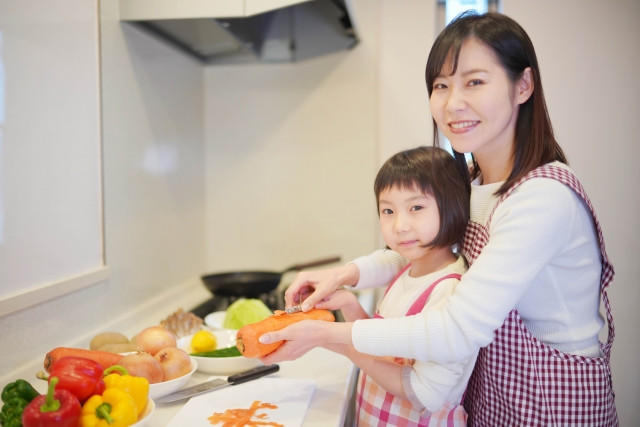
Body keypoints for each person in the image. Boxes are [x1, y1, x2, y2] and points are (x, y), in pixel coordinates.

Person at [259, 11, 618, 426]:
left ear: (523, 86)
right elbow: (428, 247)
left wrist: (327, 335)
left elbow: (454, 328)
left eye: (474, 82)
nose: (452, 103)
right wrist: (344, 274)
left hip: (553, 405)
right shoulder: (474, 180)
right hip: (498, 397)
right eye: (441, 86)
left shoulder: (542, 198)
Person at [318, 145, 472, 425]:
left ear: (453, 205)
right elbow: (385, 350)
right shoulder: (407, 271)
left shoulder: (450, 289)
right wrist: (350, 305)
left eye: (416, 208)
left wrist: (336, 341)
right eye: (388, 210)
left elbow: (424, 394)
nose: (400, 225)